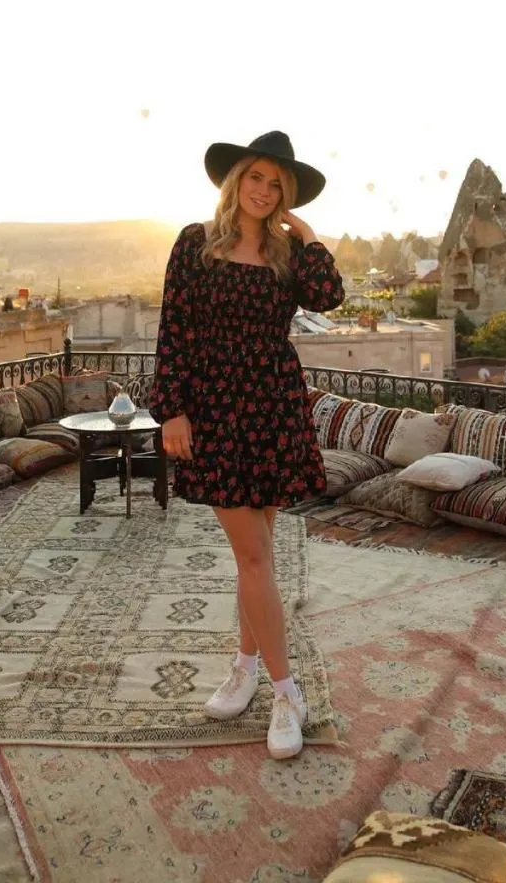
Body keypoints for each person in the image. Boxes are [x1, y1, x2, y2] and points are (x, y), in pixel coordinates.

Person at [148, 131, 344, 760]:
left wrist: (306, 234)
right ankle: (288, 693)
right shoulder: (195, 243)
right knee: (255, 556)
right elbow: (174, 329)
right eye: (256, 177)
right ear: (236, 180)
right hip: (215, 411)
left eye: (277, 184)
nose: (264, 190)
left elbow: (329, 297)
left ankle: (246, 667)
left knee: (253, 559)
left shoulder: (288, 254)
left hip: (274, 406)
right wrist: (172, 409)